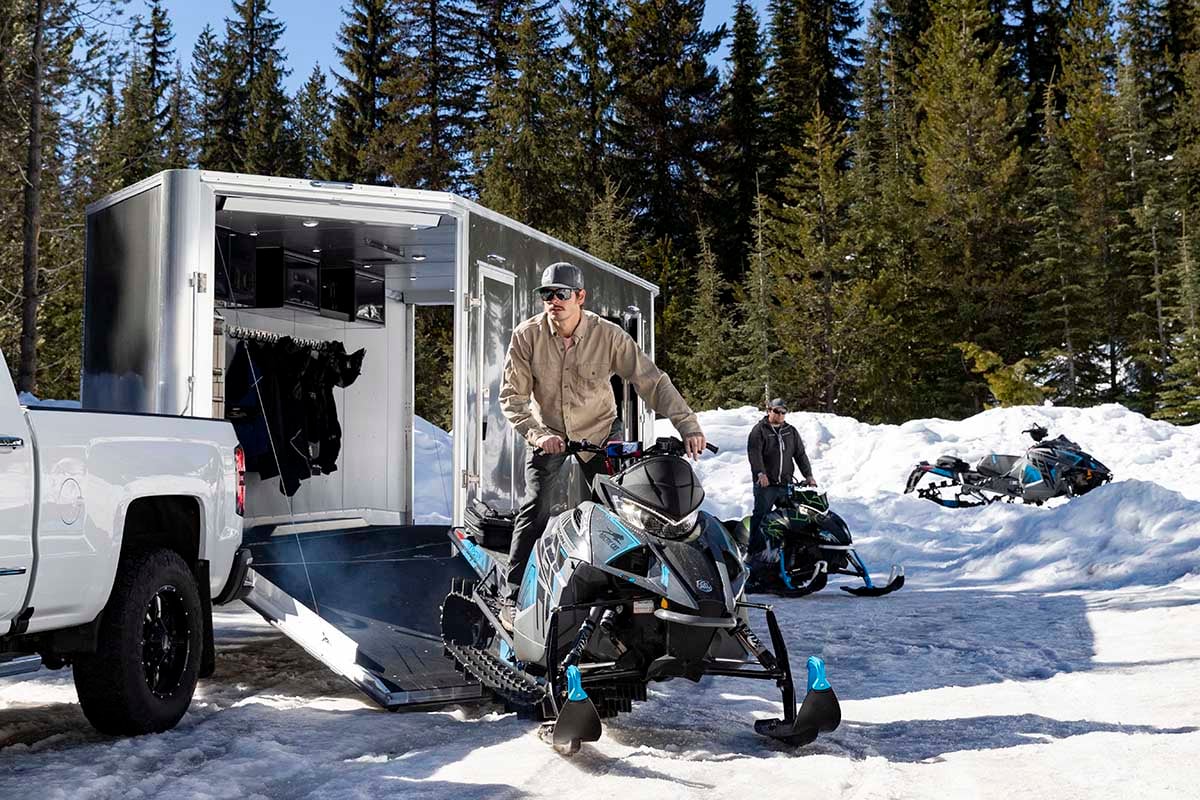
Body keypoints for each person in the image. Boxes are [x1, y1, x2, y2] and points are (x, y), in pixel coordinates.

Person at [498, 261, 706, 629]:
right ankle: (512, 595)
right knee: (537, 507)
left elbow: (652, 382)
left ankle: (618, 595)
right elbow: (512, 398)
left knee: (616, 512)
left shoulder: (608, 335)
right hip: (549, 433)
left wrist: (687, 424)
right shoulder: (526, 336)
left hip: (600, 432)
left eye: (562, 294)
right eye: (547, 294)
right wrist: (538, 434)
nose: (554, 301)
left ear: (580, 297)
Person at [746, 398, 816, 554]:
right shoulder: (759, 430)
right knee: (761, 517)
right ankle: (753, 552)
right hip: (766, 485)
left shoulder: (790, 431)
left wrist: (808, 475)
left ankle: (786, 552)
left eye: (783, 412)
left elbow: (800, 455)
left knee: (790, 518)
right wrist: (760, 473)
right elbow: (754, 454)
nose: (780, 415)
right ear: (769, 410)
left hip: (786, 484)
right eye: (777, 411)